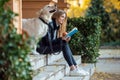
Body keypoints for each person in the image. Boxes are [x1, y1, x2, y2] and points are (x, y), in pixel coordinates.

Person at [37, 9, 89, 76]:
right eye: (62, 17)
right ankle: (73, 68)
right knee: (64, 44)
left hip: (47, 46)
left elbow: (53, 41)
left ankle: (76, 67)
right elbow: (48, 42)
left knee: (64, 43)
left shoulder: (56, 25)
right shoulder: (50, 25)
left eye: (64, 17)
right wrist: (61, 39)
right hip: (43, 48)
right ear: (56, 16)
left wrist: (63, 39)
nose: (63, 19)